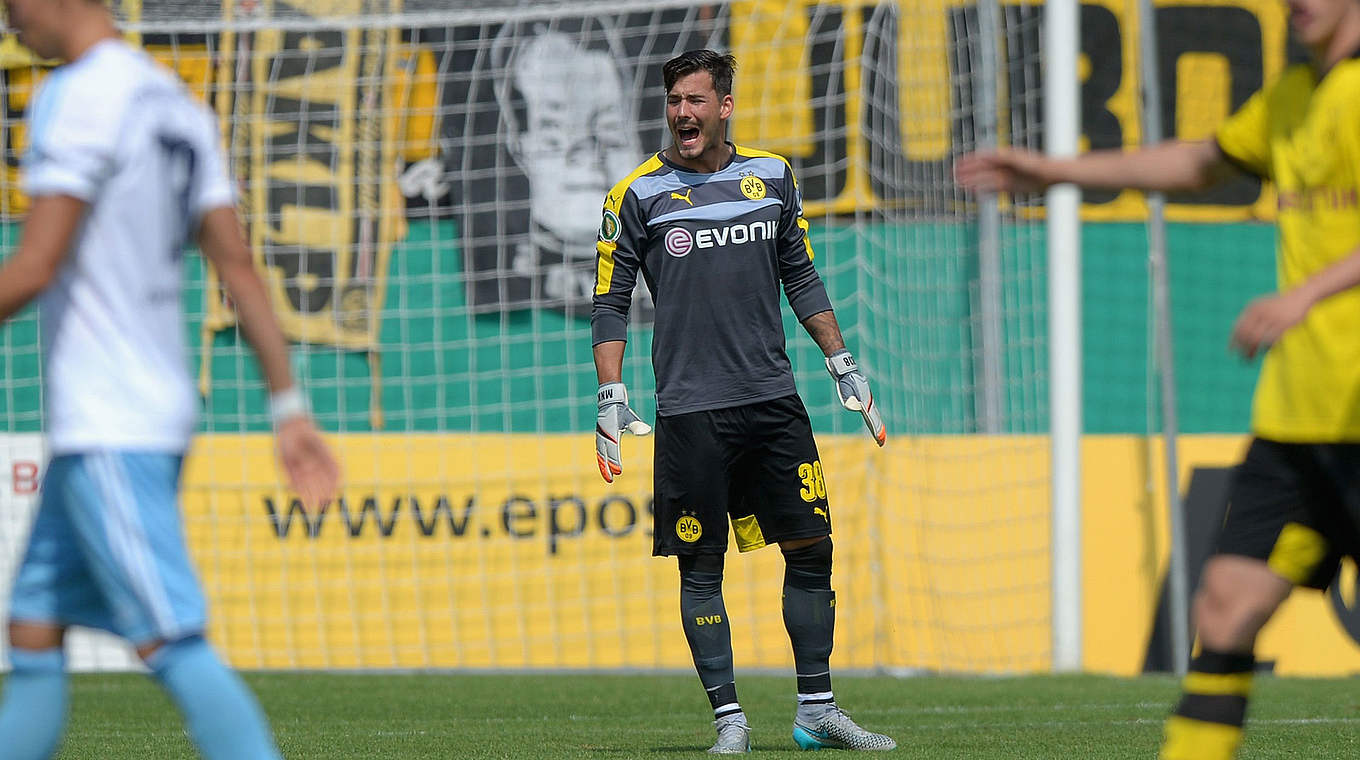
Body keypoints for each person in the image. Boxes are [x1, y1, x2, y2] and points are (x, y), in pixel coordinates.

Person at [957, 1, 1360, 757]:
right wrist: (1054, 171)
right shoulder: (1293, 97)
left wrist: (1305, 294)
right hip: (1298, 420)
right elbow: (1197, 161)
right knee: (1225, 607)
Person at [0, 1, 340, 758]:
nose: (9, 19)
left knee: (169, 640)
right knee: (31, 630)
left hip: (108, 426)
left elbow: (34, 266)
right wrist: (288, 407)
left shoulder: (77, 93)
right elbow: (239, 268)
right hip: (137, 414)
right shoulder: (175, 102)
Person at [591, 49, 894, 754]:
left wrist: (841, 361)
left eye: (696, 101)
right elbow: (608, 299)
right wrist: (610, 392)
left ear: (725, 106)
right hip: (692, 411)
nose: (683, 115)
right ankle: (730, 720)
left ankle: (817, 709)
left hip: (772, 401)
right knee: (702, 567)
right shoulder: (635, 194)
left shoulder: (773, 177)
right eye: (674, 102)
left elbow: (801, 274)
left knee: (812, 548)